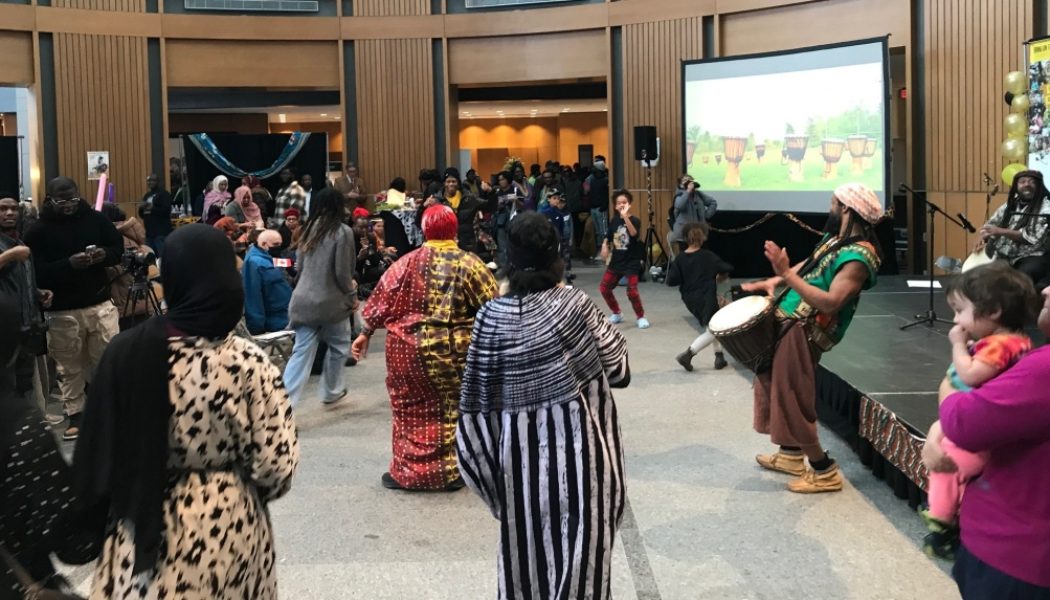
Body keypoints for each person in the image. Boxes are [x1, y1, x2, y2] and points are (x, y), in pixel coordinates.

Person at [73, 224, 299, 599]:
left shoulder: (124, 353)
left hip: (138, 522)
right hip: (227, 531)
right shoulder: (246, 362)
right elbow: (276, 467)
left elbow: (95, 454)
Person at [457, 212, 630, 599]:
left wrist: (496, 490)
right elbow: (619, 369)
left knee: (525, 572)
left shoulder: (490, 318)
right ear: (556, 256)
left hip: (518, 474)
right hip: (586, 471)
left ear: (509, 259)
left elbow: (473, 419)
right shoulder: (574, 306)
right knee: (583, 576)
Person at [740, 182, 882, 493]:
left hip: (806, 329)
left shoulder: (859, 256)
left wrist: (787, 274)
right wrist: (775, 279)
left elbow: (832, 301)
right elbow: (810, 265)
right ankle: (791, 454)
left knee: (791, 394)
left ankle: (824, 469)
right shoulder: (835, 240)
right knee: (772, 382)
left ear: (846, 208)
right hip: (790, 321)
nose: (829, 208)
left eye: (833, 203)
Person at [352, 205, 498, 491]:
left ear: (425, 230)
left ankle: (407, 472)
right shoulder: (469, 264)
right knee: (450, 409)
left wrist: (365, 333)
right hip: (452, 353)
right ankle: (449, 472)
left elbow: (380, 299)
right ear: (454, 230)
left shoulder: (405, 263)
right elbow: (492, 306)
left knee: (408, 411)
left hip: (405, 352)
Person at [922, 292, 1050, 598]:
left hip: (1017, 557)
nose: (1045, 290)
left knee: (946, 471)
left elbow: (963, 423)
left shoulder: (1042, 368)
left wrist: (948, 388)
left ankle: (940, 523)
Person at [24, 177, 123, 441]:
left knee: (107, 362)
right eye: (61, 201)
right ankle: (76, 416)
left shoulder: (96, 219)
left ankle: (109, 413)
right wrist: (68, 265)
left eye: (73, 199)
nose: (68, 206)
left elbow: (117, 249)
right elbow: (35, 273)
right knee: (69, 367)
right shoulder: (37, 230)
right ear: (49, 200)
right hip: (62, 310)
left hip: (99, 304)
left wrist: (103, 254)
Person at [281, 188, 357, 408]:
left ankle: (283, 406)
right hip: (330, 304)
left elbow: (300, 267)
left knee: (300, 353)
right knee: (340, 345)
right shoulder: (342, 232)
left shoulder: (308, 230)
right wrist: (351, 296)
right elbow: (343, 272)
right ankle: (331, 391)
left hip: (302, 301)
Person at [669, 222, 733, 372]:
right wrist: (719, 276)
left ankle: (719, 357)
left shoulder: (680, 259)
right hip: (707, 296)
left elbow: (671, 281)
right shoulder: (708, 256)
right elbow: (727, 268)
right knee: (715, 329)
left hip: (690, 299)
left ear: (685, 239)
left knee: (711, 326)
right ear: (703, 238)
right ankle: (688, 354)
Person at [978, 169, 1050, 289]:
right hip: (1005, 255)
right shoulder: (1010, 204)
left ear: (1039, 186)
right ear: (1016, 186)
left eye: (1032, 182)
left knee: (1020, 280)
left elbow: (1033, 238)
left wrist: (1000, 231)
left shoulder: (1046, 207)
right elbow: (992, 223)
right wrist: (983, 237)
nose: (1027, 184)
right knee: (983, 278)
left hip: (1032, 256)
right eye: (1022, 182)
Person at [599, 189, 650, 329]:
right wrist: (604, 245)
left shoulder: (635, 220)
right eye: (618, 203)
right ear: (615, 205)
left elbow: (633, 234)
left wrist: (625, 216)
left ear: (629, 204)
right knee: (604, 288)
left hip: (631, 261)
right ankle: (617, 313)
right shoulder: (614, 220)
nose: (621, 205)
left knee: (632, 291)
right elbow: (609, 235)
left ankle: (641, 316)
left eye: (624, 202)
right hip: (616, 261)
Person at [424, 167, 496, 255]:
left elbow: (490, 207)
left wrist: (491, 193)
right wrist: (424, 208)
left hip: (467, 244)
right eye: (448, 181)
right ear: (444, 183)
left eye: (453, 181)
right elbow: (424, 223)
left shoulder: (470, 198)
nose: (451, 184)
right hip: (445, 246)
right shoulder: (436, 200)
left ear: (458, 183)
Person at [243, 229, 293, 335]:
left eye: (280, 244)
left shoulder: (266, 258)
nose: (278, 247)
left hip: (286, 314)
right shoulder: (254, 263)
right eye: (275, 244)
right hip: (277, 320)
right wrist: (257, 328)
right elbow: (253, 296)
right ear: (264, 244)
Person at [668, 174, 717, 255]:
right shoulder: (679, 195)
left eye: (690, 180)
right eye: (685, 180)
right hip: (684, 235)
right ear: (680, 184)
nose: (689, 182)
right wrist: (687, 192)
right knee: (687, 258)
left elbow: (713, 202)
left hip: (699, 233)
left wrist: (706, 216)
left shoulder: (698, 195)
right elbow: (679, 206)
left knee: (703, 256)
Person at [540, 187, 575, 283]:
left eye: (558, 198)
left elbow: (561, 229)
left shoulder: (559, 214)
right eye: (554, 198)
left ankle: (563, 275)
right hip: (546, 240)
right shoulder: (543, 212)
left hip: (558, 240)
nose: (557, 200)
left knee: (559, 258)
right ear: (548, 199)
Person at [492, 170, 526, 270]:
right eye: (499, 180)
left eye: (503, 179)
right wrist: (499, 204)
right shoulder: (498, 192)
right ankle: (504, 269)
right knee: (502, 247)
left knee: (515, 245)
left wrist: (515, 200)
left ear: (508, 180)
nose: (501, 182)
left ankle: (516, 267)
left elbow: (523, 206)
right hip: (501, 222)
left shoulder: (515, 190)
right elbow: (493, 207)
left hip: (514, 220)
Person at [138, 173, 172, 258]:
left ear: (158, 182)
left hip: (161, 232)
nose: (150, 182)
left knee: (163, 258)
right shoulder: (146, 195)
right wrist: (141, 208)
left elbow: (166, 211)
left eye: (152, 180)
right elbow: (143, 215)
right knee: (150, 259)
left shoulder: (164, 194)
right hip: (149, 233)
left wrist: (151, 207)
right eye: (148, 180)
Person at [585, 156, 611, 253]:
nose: (592, 169)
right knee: (597, 230)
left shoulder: (606, 180)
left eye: (594, 168)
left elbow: (608, 194)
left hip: (601, 208)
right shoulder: (590, 179)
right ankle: (600, 248)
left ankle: (605, 249)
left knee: (603, 230)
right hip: (593, 207)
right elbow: (586, 192)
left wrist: (605, 205)